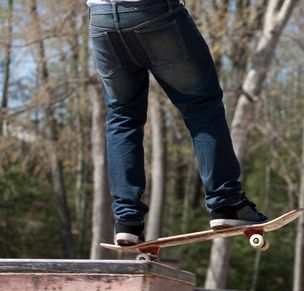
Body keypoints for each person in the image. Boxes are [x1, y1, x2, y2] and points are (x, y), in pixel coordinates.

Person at [87, 0, 267, 245]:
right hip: (154, 13)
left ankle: (127, 220)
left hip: (101, 19)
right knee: (202, 104)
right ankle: (227, 202)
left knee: (122, 115)